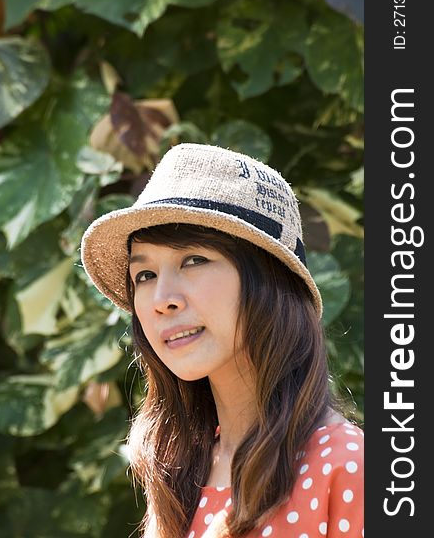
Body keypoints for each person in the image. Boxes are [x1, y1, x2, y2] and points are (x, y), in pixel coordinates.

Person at [81, 143, 364, 538]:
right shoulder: (179, 468)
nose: (162, 299)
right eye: (144, 275)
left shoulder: (347, 466)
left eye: (193, 260)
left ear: (268, 279)